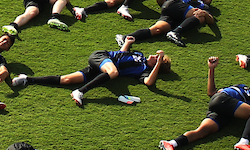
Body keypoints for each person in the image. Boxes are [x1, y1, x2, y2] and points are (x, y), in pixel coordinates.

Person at [159, 56, 250, 150]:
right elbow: (212, 92)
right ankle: (243, 142)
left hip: (225, 110)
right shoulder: (243, 88)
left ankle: (171, 143)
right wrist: (211, 69)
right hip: (222, 100)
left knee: (202, 131)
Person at [12, 36, 170, 107]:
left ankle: (27, 79)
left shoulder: (144, 70)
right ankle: (80, 92)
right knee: (113, 73)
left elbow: (149, 82)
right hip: (102, 57)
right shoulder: (140, 56)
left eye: (157, 58)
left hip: (104, 68)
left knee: (66, 80)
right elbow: (122, 55)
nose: (154, 55)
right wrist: (127, 44)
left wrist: (158, 63)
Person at [119, 0, 215, 48]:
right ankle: (175, 33)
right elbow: (162, 1)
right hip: (173, 5)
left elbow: (211, 20)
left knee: (157, 30)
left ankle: (125, 37)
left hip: (176, 17)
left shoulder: (204, 6)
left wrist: (205, 13)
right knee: (199, 15)